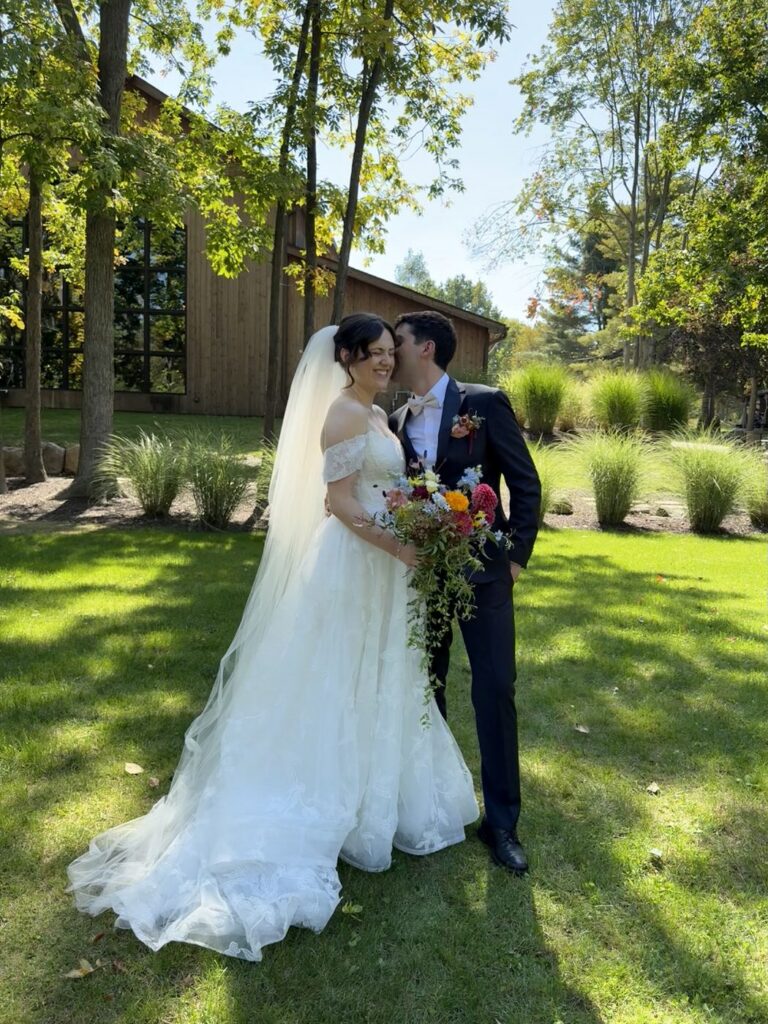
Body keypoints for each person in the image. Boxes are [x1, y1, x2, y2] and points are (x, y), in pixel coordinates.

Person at [66, 314, 478, 962]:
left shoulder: (380, 418)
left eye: (384, 355)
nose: (381, 363)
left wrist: (421, 522)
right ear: (344, 358)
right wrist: (399, 543)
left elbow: (386, 488)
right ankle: (312, 807)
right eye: (369, 354)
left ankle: (377, 805)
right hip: (351, 562)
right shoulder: (344, 414)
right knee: (333, 679)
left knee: (379, 677)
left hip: (386, 568)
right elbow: (339, 502)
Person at [390, 310, 540, 875]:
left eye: (397, 343)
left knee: (495, 689)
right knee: (427, 689)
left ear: (425, 348)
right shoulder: (396, 419)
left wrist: (517, 559)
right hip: (421, 577)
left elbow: (525, 483)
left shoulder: (485, 403)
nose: (389, 352)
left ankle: (501, 823)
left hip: (486, 574)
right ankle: (438, 803)